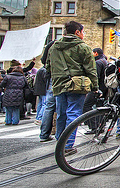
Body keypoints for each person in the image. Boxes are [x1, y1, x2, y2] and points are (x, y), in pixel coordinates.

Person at [46, 21, 98, 153]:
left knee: (61, 114)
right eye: (83, 31)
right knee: (73, 114)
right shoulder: (83, 47)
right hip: (76, 85)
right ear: (77, 32)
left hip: (58, 85)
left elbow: (48, 67)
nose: (83, 34)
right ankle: (68, 145)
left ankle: (60, 142)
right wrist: (95, 87)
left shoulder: (53, 47)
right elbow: (91, 70)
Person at [39, 40, 57, 142]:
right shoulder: (73, 43)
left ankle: (44, 134)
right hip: (64, 78)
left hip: (52, 77)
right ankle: (60, 135)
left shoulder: (51, 44)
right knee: (63, 106)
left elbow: (44, 61)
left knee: (49, 106)